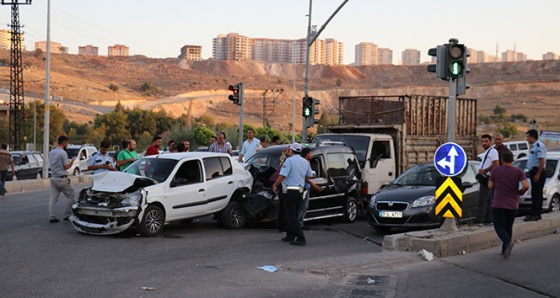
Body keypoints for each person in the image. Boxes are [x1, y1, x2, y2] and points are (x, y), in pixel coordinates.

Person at [489, 150, 529, 259]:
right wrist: (520, 192)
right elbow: (526, 185)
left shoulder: (496, 170)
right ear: (513, 160)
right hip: (513, 204)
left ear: (502, 160)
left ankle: (507, 242)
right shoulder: (518, 171)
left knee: (499, 227)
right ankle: (504, 250)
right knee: (508, 226)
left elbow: (490, 185)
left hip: (498, 203)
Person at [272, 143, 312, 246]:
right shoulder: (305, 162)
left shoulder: (289, 161)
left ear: (291, 150)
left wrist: (275, 185)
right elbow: (310, 175)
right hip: (299, 191)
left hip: (290, 190)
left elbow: (283, 175)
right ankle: (290, 235)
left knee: (291, 216)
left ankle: (300, 237)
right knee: (292, 213)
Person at [48, 136, 76, 223]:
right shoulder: (63, 153)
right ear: (64, 143)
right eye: (67, 143)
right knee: (70, 195)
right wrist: (72, 161)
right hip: (62, 179)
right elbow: (66, 166)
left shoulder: (51, 152)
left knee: (53, 199)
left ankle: (52, 216)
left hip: (53, 177)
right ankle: (67, 215)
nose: (67, 145)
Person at [475, 134, 499, 225]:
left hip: (487, 177)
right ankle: (488, 219)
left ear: (490, 142)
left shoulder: (492, 151)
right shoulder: (487, 152)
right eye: (483, 141)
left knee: (483, 200)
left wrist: (484, 170)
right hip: (486, 178)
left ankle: (479, 220)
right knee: (488, 200)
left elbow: (496, 164)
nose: (484, 143)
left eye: (486, 141)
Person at [525, 129, 547, 221]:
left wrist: (538, 174)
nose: (527, 139)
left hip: (538, 172)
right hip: (535, 172)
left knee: (536, 194)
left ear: (532, 137)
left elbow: (542, 161)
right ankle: (536, 213)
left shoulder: (539, 146)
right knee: (536, 194)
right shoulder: (534, 146)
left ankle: (535, 214)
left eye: (528, 137)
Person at [298, 147, 321, 229]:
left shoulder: (306, 162)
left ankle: (300, 222)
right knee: (303, 206)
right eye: (310, 153)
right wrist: (314, 184)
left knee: (305, 206)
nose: (311, 155)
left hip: (305, 186)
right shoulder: (304, 163)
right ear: (307, 154)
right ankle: (298, 224)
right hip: (303, 187)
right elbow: (307, 176)